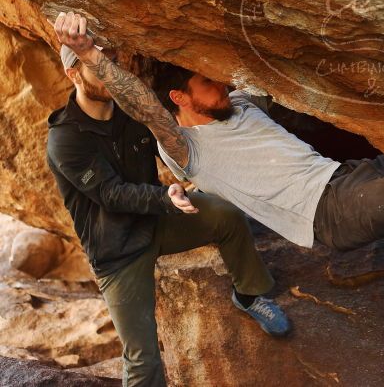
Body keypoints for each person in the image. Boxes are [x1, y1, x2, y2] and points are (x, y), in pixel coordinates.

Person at [52, 11, 384, 284]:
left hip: (349, 178)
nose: (222, 86)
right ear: (180, 98)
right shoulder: (185, 147)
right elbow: (138, 103)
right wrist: (88, 52)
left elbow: (274, 63)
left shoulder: (243, 106)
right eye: (208, 83)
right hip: (329, 215)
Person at [45, 38, 292, 387]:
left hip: (159, 221)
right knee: (143, 360)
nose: (110, 73)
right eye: (97, 66)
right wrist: (166, 196)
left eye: (112, 62)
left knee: (226, 215)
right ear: (73, 74)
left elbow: (178, 142)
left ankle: (249, 295)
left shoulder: (134, 110)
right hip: (118, 252)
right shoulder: (65, 139)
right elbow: (110, 194)